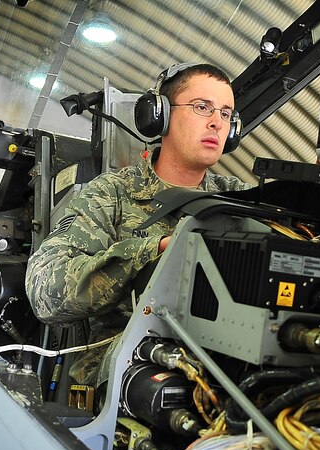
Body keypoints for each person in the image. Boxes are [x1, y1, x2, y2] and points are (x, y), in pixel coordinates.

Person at [25, 63, 249, 387]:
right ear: (160, 115)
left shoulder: (240, 200)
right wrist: (152, 252)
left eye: (226, 114)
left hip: (223, 358)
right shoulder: (113, 193)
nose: (217, 123)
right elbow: (45, 290)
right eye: (203, 107)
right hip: (126, 375)